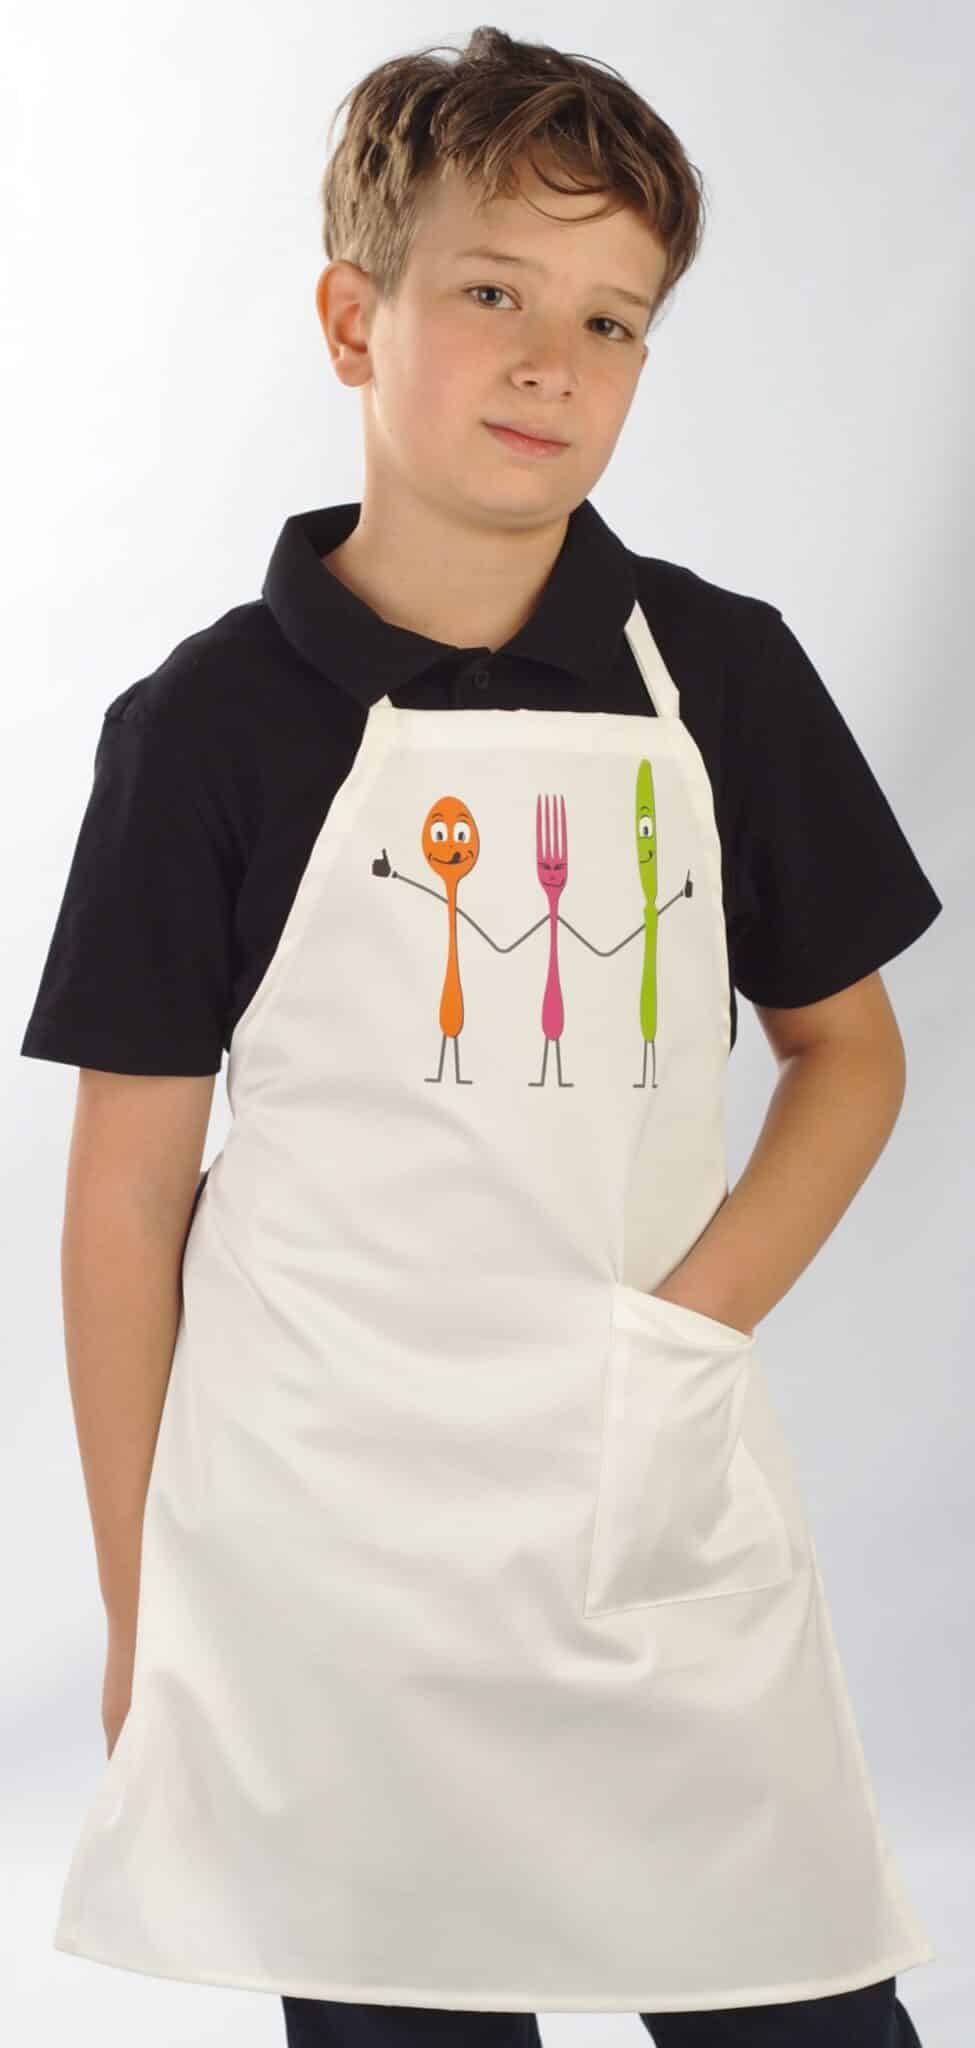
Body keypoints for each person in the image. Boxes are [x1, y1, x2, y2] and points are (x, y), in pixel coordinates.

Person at [21, 25, 940, 2048]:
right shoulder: (205, 729)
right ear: (354, 317)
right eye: (493, 294)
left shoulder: (719, 674)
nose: (552, 362)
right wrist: (145, 1603)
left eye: (610, 320)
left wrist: (684, 1331)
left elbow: (849, 1052)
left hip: (640, 1508)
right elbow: (126, 1201)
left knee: (786, 1993)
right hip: (321, 1553)